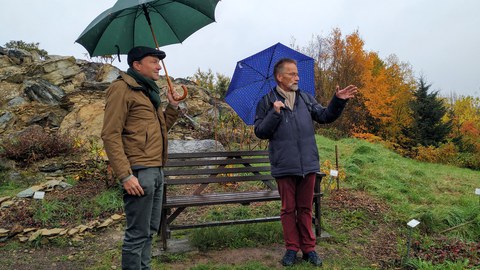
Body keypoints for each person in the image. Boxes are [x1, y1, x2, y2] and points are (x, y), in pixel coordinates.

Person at [254, 58, 357, 267]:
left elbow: (325, 116)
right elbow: (260, 132)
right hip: (284, 166)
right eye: (292, 74)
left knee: (305, 208)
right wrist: (274, 113)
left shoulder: (306, 99)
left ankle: (309, 249)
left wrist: (337, 100)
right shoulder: (266, 102)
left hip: (308, 164)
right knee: (288, 209)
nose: (297, 77)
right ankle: (292, 248)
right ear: (279, 77)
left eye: (297, 73)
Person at [101, 46, 181, 270]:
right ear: (137, 65)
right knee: (137, 234)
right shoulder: (121, 89)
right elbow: (110, 134)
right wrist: (125, 175)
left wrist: (173, 107)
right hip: (138, 173)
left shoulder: (148, 91)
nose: (159, 66)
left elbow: (160, 129)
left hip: (156, 171)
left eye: (159, 62)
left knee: (149, 232)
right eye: (153, 62)